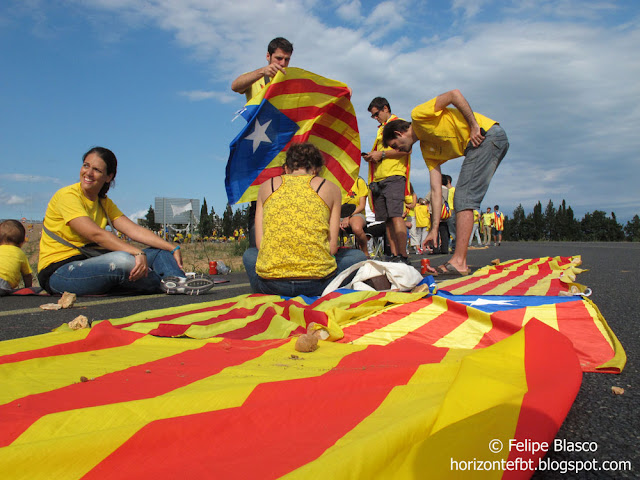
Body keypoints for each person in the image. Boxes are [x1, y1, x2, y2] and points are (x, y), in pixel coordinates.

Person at [37, 147, 215, 296]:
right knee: (124, 260)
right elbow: (96, 234)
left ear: (109, 177)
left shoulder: (104, 203)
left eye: (97, 170)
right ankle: (164, 281)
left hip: (94, 261)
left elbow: (133, 230)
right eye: (86, 166)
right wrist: (136, 253)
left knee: (160, 252)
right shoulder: (67, 196)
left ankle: (179, 282)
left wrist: (173, 247)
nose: (88, 173)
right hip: (59, 272)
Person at [382, 89, 509, 275]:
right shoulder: (427, 150)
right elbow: (435, 189)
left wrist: (473, 125)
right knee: (462, 198)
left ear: (399, 133)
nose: (398, 150)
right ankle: (459, 260)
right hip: (481, 145)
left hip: (487, 136)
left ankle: (459, 261)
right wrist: (433, 229)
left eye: (395, 145)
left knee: (463, 198)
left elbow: (454, 95)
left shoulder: (418, 115)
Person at [243, 143, 366, 297]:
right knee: (358, 257)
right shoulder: (331, 188)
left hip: (272, 285)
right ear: (316, 169)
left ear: (286, 169)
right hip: (317, 284)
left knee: (249, 255)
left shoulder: (266, 187)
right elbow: (332, 248)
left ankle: (263, 296)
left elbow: (261, 245)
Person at [231, 37, 294, 248]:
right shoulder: (256, 77)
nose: (282, 64)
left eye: (286, 59)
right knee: (258, 201)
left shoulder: (290, 80)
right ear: (268, 57)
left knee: (284, 201)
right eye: (278, 58)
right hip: (258, 151)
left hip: (283, 150)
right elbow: (235, 85)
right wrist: (262, 72)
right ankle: (256, 252)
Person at [362, 97, 411, 264]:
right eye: (372, 116)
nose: (375, 117)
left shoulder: (399, 124)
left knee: (396, 216)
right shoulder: (381, 129)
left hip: (394, 175)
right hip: (380, 177)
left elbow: (406, 149)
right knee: (387, 219)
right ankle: (395, 255)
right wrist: (372, 157)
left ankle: (403, 256)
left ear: (385, 108)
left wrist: (381, 154)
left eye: (376, 114)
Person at [0, 220, 33, 295]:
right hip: (3, 283)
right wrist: (28, 289)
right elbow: (27, 275)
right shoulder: (20, 253)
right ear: (21, 243)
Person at [340, 176, 370, 256]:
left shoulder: (359, 181)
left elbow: (361, 205)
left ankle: (365, 253)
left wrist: (348, 217)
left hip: (356, 212)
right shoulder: (336, 181)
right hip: (339, 213)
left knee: (357, 228)